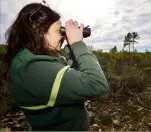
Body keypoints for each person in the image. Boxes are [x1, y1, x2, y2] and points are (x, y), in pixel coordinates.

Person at [4, 2, 109, 131]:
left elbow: (71, 78)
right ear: (40, 32)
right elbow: (96, 84)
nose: (63, 35)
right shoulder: (32, 68)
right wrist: (78, 44)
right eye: (59, 31)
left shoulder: (33, 59)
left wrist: (71, 49)